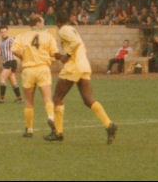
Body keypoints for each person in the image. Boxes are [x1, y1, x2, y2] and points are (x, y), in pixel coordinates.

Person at [44, 11, 117, 144]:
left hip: (73, 67)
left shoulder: (63, 30)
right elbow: (77, 45)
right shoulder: (72, 29)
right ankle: (109, 124)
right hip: (83, 65)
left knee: (57, 98)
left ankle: (58, 132)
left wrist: (67, 56)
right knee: (88, 99)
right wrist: (61, 56)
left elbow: (75, 43)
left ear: (58, 22)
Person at [11, 14, 58, 138]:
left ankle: (30, 129)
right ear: (37, 22)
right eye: (42, 21)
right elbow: (54, 53)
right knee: (47, 98)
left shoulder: (22, 36)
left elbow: (14, 50)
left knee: (28, 101)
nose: (43, 24)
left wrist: (24, 57)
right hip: (43, 69)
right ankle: (50, 117)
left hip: (28, 70)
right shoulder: (48, 36)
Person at [0, 26, 22, 104]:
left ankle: (1, 99)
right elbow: (0, 54)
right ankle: (19, 98)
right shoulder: (0, 42)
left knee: (2, 78)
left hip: (11, 61)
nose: (3, 33)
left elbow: (18, 47)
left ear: (7, 32)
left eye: (5, 31)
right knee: (12, 80)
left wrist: (22, 56)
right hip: (7, 62)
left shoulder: (10, 40)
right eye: (2, 32)